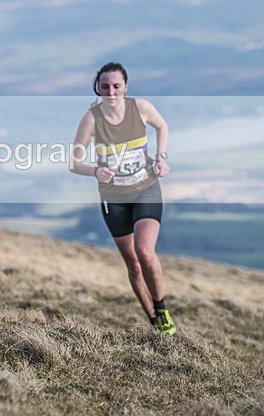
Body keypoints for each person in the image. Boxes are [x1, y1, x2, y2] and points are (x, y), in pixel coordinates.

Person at [70, 62, 177, 335]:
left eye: (117, 86)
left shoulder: (141, 108)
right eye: (105, 86)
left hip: (146, 189)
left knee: (145, 252)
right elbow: (74, 161)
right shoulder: (92, 118)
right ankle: (155, 322)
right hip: (114, 198)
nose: (111, 92)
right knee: (133, 265)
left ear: (126, 87)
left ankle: (162, 309)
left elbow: (162, 127)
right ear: (98, 87)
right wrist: (95, 170)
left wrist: (162, 157)